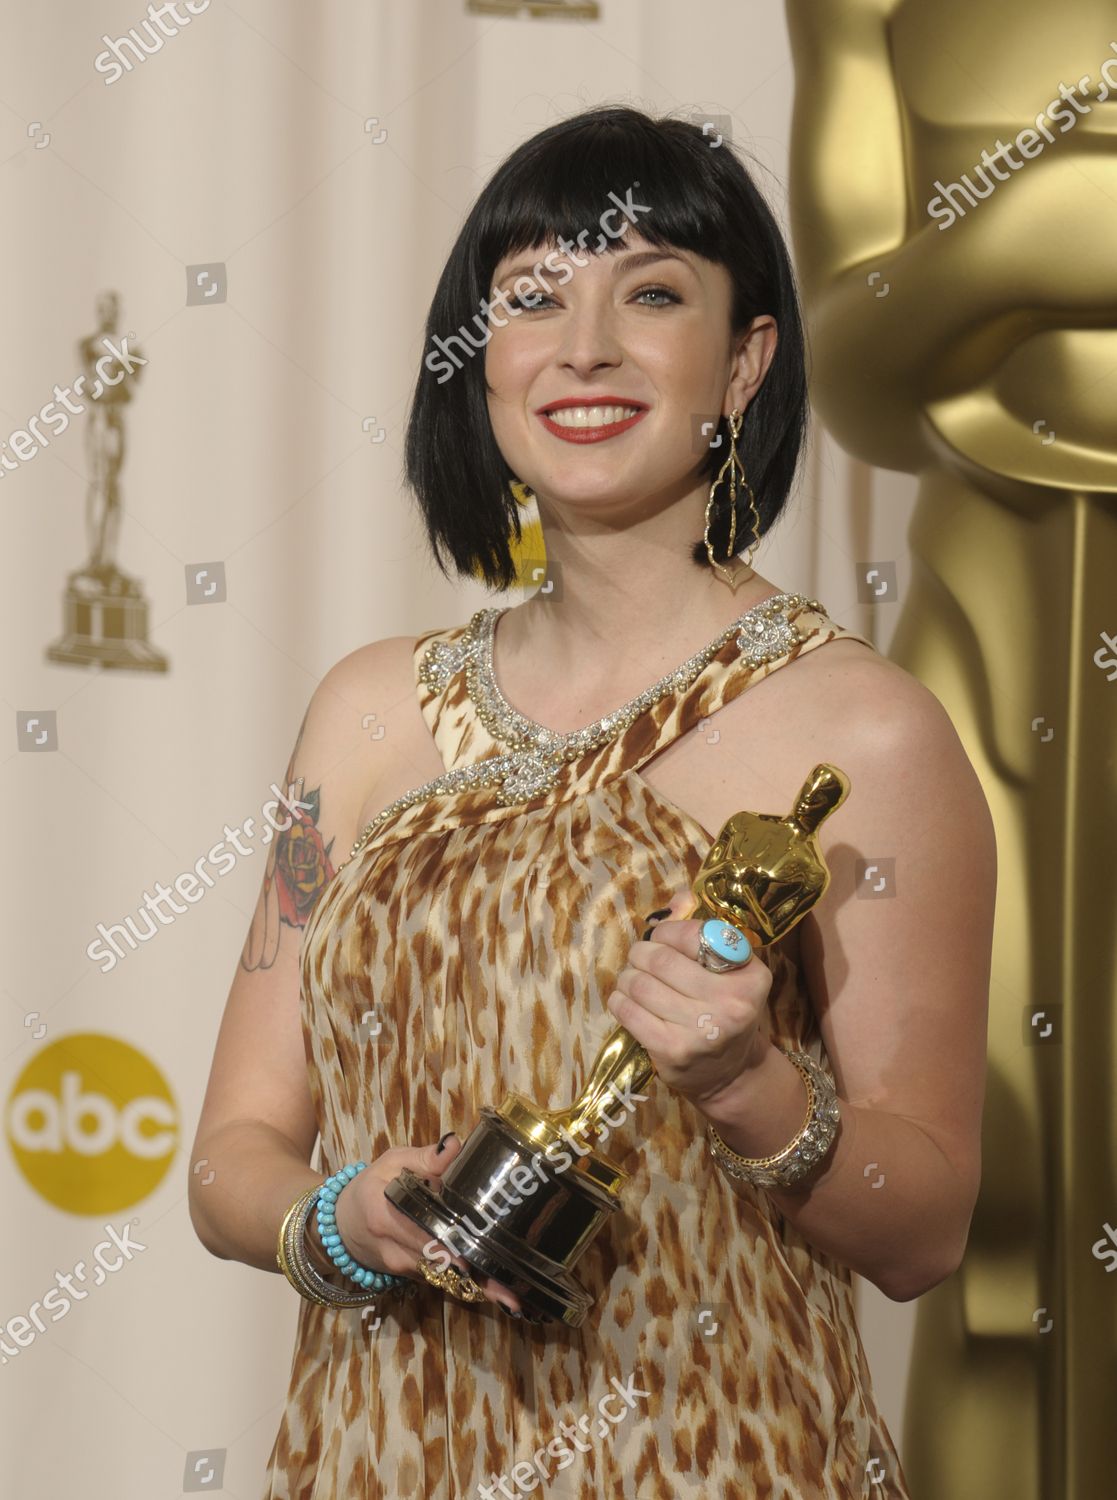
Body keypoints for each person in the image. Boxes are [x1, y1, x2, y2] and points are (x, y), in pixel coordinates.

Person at [188, 104, 995, 1500]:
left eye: (654, 295)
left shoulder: (863, 730)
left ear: (744, 364)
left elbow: (922, 1234)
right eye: (532, 299)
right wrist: (348, 1219)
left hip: (720, 1459)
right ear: (477, 365)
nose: (584, 348)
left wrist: (746, 1087)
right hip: (378, 1461)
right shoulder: (366, 710)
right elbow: (231, 1160)